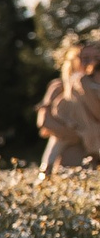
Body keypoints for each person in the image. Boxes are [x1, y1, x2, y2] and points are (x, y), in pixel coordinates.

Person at [36, 32, 100, 179]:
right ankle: (44, 174)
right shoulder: (59, 87)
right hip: (71, 150)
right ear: (72, 61)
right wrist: (76, 133)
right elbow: (44, 121)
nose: (92, 63)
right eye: (85, 59)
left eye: (97, 58)